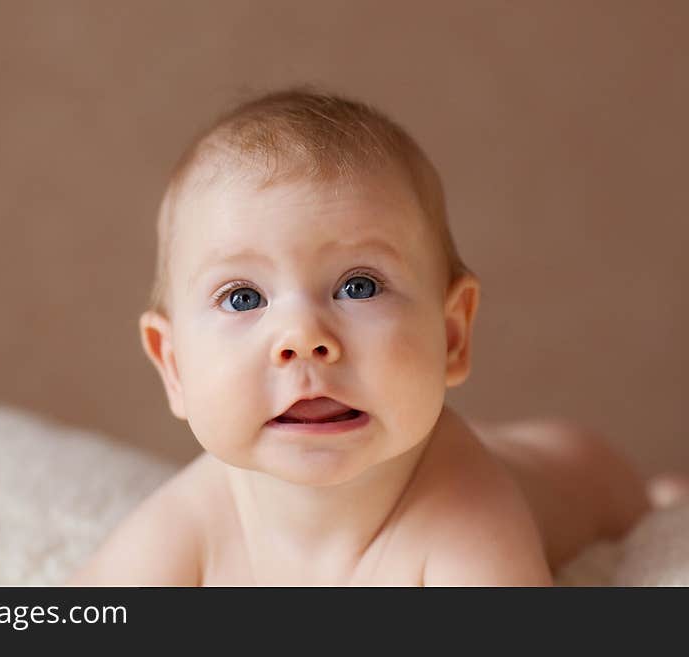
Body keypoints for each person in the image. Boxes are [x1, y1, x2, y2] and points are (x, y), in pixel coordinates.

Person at [70, 88, 668, 585]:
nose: (303, 338)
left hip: (574, 470)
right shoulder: (197, 513)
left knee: (635, 494)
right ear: (173, 366)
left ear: (452, 333)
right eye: (243, 298)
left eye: (359, 287)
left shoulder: (467, 515)